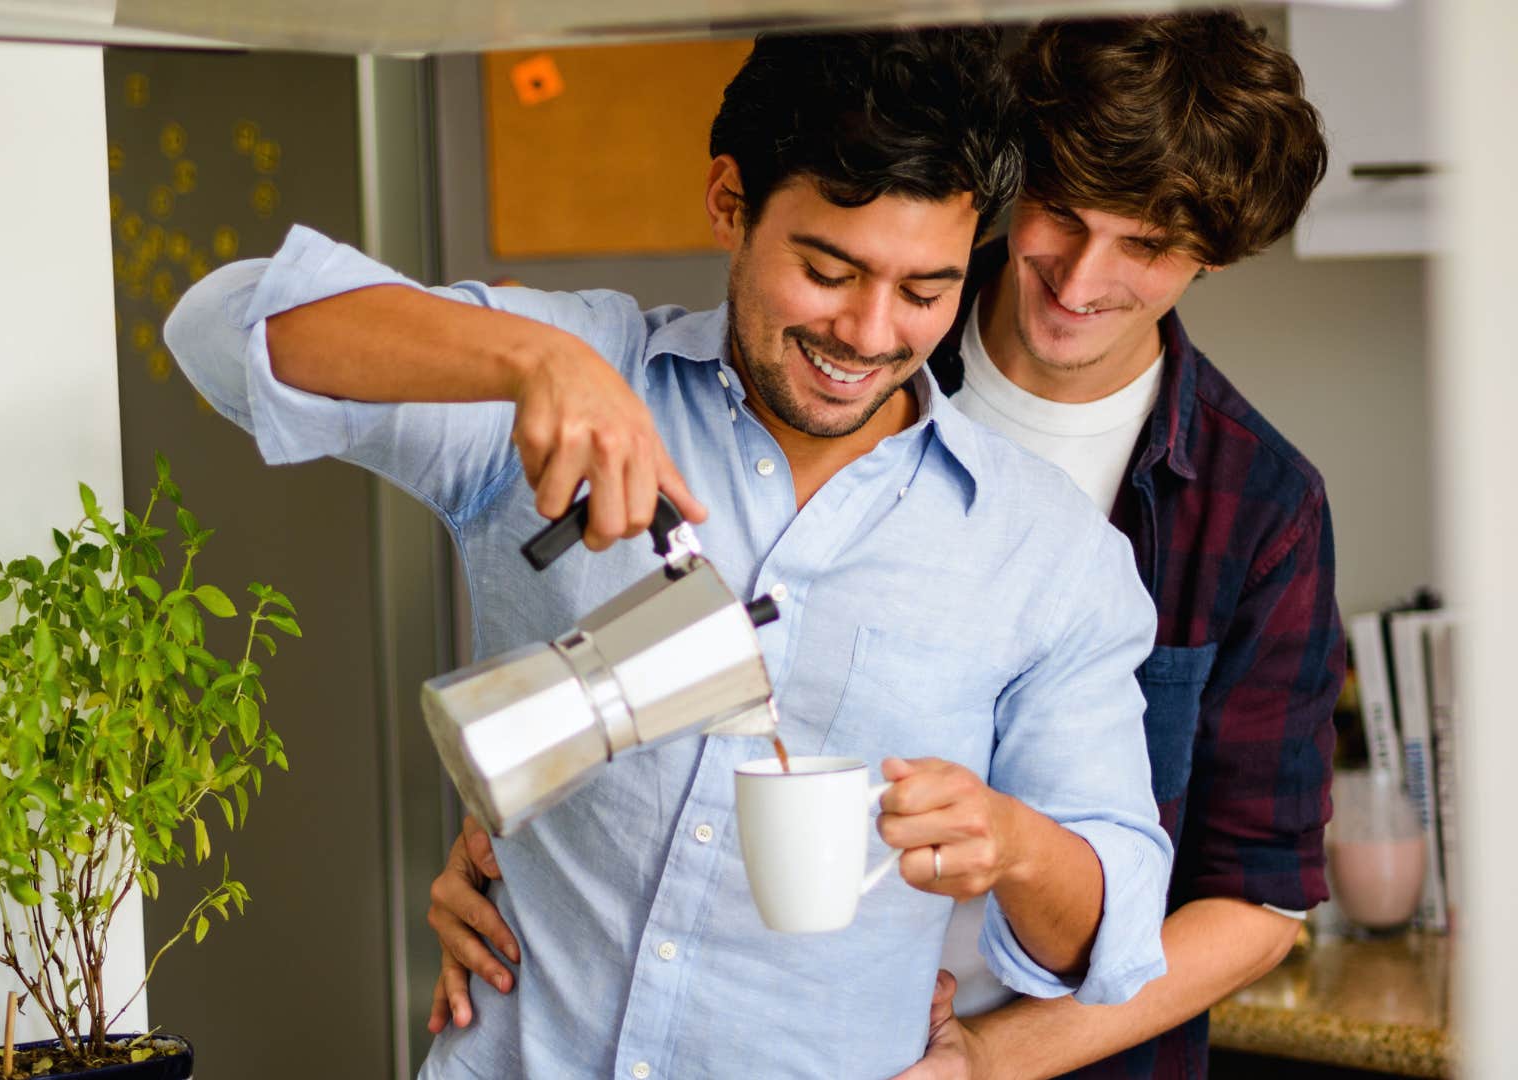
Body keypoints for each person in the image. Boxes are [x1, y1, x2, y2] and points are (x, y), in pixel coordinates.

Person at [167, 28, 1173, 1079]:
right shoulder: (583, 376)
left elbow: (1109, 935)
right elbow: (218, 330)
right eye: (828, 271)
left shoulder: (1044, 551)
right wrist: (528, 357)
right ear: (730, 203)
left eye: (927, 291)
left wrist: (1011, 842)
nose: (870, 335)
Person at [428, 14, 1343, 1080]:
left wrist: (984, 1060)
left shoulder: (1257, 507)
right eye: (1058, 213)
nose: (1083, 276)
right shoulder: (847, 348)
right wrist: (525, 848)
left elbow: (1257, 898)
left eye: (1148, 246)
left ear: (1211, 258)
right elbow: (674, 645)